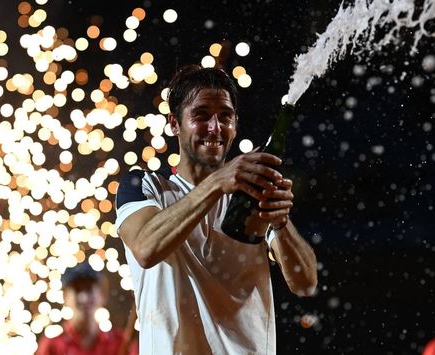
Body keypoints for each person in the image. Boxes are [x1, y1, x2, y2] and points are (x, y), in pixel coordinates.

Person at [115, 65, 318, 354]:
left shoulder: (250, 192)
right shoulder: (145, 185)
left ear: (235, 124)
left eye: (225, 116)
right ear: (174, 123)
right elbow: (147, 248)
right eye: (201, 115)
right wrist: (217, 184)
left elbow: (305, 283)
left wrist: (281, 223)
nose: (215, 127)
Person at [36, 262, 138, 355]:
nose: (84, 298)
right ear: (65, 297)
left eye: (89, 289)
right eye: (77, 290)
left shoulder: (121, 342)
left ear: (102, 294)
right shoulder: (53, 346)